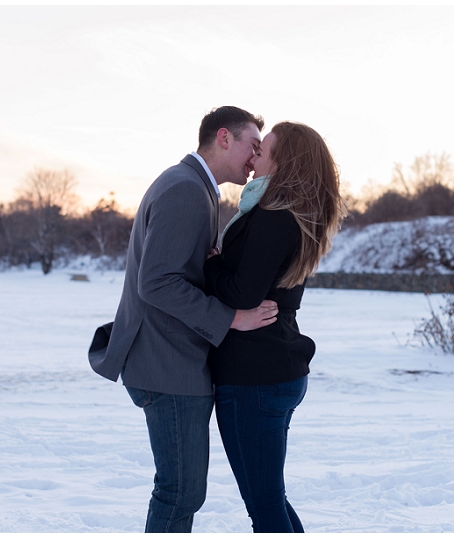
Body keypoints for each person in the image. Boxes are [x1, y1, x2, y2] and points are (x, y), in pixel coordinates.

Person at [88, 106, 279, 533]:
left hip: (173, 361)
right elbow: (156, 282)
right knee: (181, 492)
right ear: (224, 138)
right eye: (253, 145)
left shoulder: (194, 186)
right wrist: (232, 318)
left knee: (184, 490)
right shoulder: (185, 189)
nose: (255, 157)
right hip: (166, 365)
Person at [203, 121, 347, 532]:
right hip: (272, 369)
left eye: (262, 151)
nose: (254, 157)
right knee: (269, 501)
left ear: (285, 164)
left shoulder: (273, 216)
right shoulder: (294, 215)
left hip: (254, 377)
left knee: (264, 506)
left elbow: (243, 293)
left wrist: (211, 264)